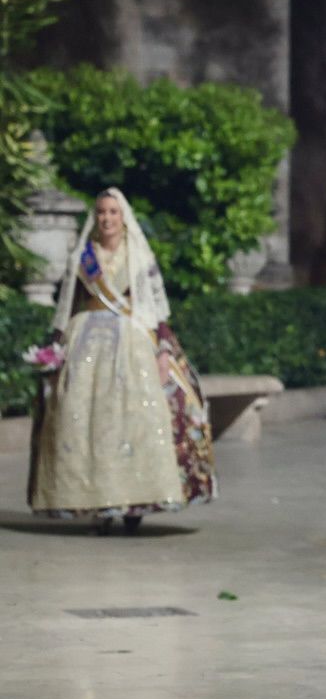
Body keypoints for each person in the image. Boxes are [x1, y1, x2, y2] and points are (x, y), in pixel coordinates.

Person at [29, 188, 215, 533]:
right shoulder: (83, 256)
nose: (107, 218)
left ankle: (134, 504)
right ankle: (99, 505)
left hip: (131, 342)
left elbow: (156, 310)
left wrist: (163, 350)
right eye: (101, 212)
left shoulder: (138, 256)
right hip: (86, 341)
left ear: (123, 217)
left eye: (113, 212)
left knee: (135, 420)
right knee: (88, 423)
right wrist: (54, 349)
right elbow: (68, 304)